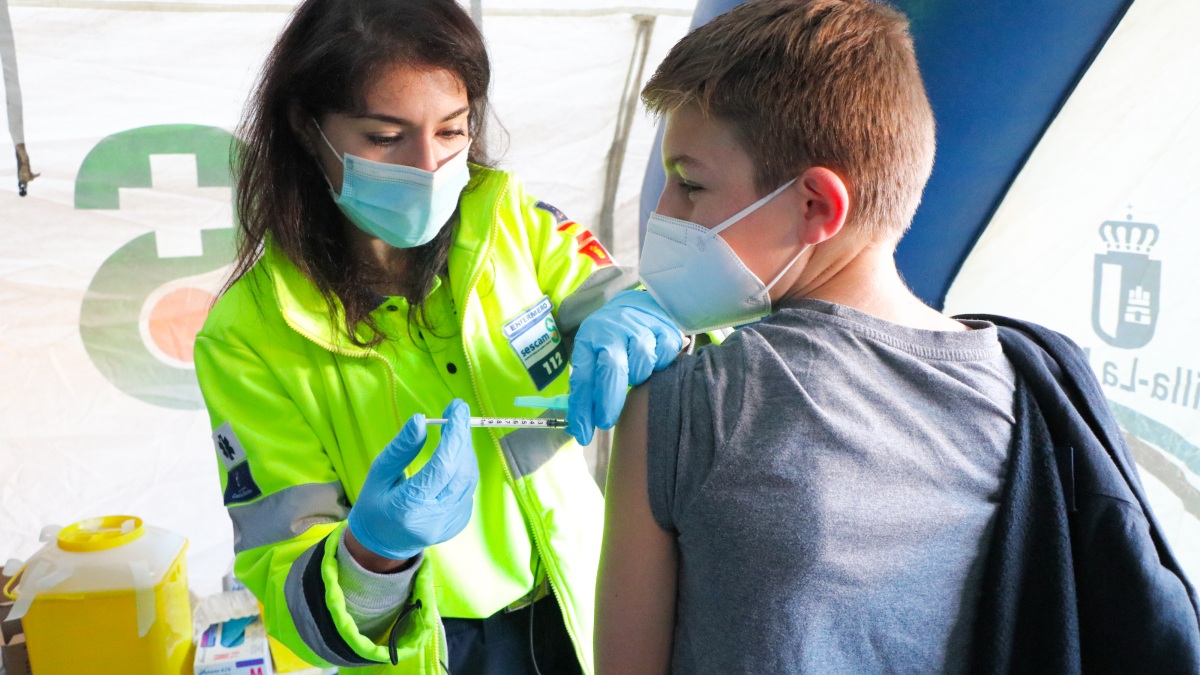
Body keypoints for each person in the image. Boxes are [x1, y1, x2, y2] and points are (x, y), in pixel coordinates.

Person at [594, 2, 1200, 673]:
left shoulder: (683, 406)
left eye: (688, 183)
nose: (661, 212)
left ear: (817, 205)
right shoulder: (1033, 383)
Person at [194, 0, 680, 672]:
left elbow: (626, 305)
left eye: (451, 131)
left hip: (586, 605)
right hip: (433, 647)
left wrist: (641, 316)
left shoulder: (513, 223)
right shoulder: (247, 336)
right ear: (308, 129)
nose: (427, 166)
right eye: (385, 137)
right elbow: (286, 579)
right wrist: (373, 552)